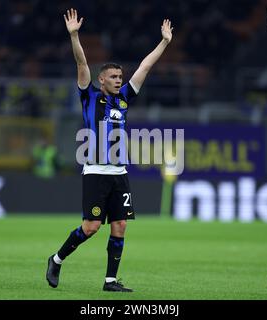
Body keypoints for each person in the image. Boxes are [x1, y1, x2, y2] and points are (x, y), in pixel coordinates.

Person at [46, 8, 173, 292]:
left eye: (120, 76)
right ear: (101, 79)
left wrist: (164, 42)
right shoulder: (88, 96)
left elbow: (145, 67)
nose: (119, 79)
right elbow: (81, 63)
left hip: (120, 172)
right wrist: (75, 35)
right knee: (91, 227)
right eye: (114, 76)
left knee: (120, 227)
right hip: (95, 171)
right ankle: (56, 259)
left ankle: (110, 281)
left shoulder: (125, 98)